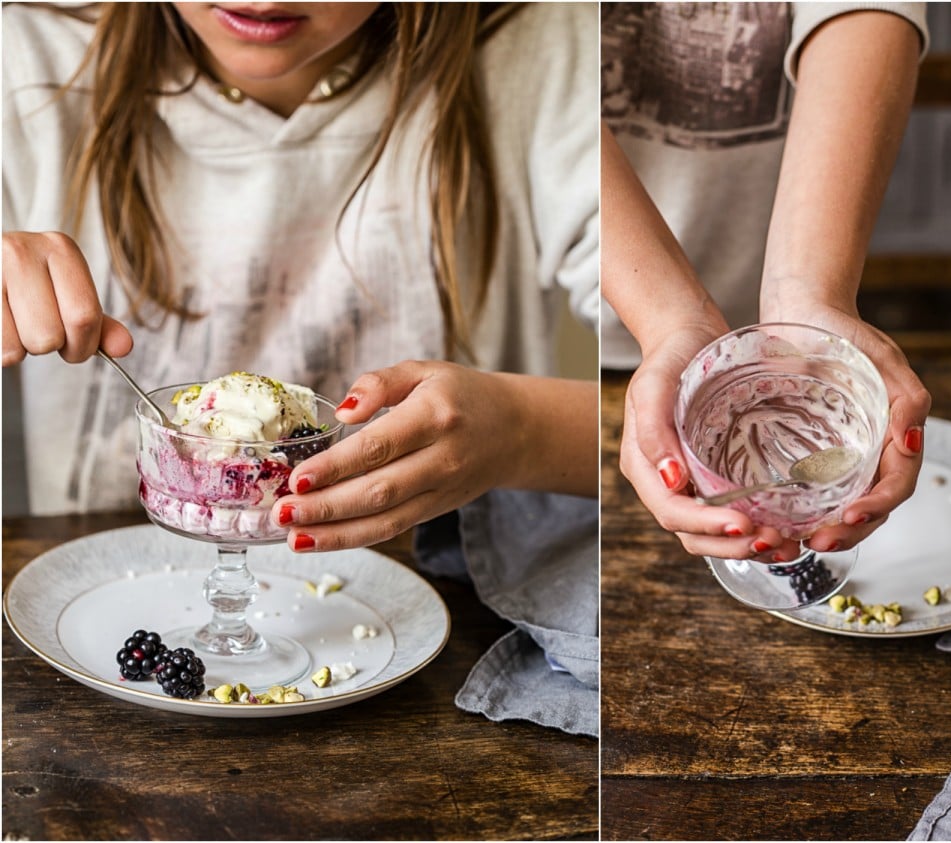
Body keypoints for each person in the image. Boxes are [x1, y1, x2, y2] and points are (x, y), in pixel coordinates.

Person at [3, 2, 599, 735]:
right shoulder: (27, 58)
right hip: (81, 698)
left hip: (443, 681)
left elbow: (693, 398)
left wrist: (519, 430)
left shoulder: (528, 49)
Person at [601, 2, 932, 564]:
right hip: (599, 310)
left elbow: (862, 14)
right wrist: (667, 321)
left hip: (793, 290)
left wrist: (806, 297)